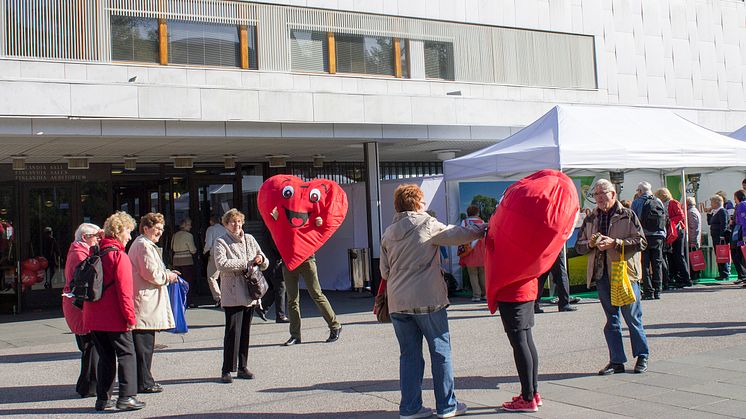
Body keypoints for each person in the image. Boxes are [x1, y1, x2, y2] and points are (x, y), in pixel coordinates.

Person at [381, 184, 486, 419]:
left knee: (408, 355)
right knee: (440, 350)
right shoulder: (427, 223)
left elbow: (385, 272)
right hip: (427, 297)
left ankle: (410, 408)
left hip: (398, 301)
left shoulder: (388, 233)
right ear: (417, 203)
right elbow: (457, 234)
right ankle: (447, 406)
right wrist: (481, 230)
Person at [575, 179, 650, 376]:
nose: (599, 197)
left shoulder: (627, 215)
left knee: (632, 317)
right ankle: (616, 361)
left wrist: (615, 243)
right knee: (612, 319)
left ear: (613, 194)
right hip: (602, 274)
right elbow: (579, 246)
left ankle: (642, 355)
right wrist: (591, 245)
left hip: (624, 273)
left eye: (603, 193)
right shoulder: (590, 219)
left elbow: (641, 242)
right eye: (596, 194)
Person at [82, 211, 145, 411]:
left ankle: (103, 399)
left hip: (94, 315)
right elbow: (125, 292)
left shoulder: (96, 252)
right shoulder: (119, 256)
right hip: (114, 316)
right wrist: (130, 317)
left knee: (105, 357)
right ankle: (127, 397)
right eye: (128, 231)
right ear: (119, 231)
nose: (129, 236)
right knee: (127, 354)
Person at [213, 208, 268, 383]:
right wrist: (246, 263)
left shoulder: (250, 239)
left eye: (238, 221)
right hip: (232, 291)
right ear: (226, 224)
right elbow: (221, 264)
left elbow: (264, 260)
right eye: (232, 222)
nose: (236, 225)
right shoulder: (221, 241)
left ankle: (243, 367)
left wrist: (260, 259)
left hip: (250, 291)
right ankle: (227, 369)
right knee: (232, 332)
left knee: (245, 331)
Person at [128, 212, 177, 394]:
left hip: (145, 300)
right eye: (156, 229)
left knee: (143, 345)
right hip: (144, 302)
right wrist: (168, 276)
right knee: (144, 346)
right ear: (146, 228)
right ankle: (145, 382)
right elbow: (152, 274)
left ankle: (143, 380)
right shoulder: (143, 245)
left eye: (161, 229)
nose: (160, 232)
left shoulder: (144, 244)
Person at [63, 223, 102, 398]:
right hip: (80, 306)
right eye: (96, 236)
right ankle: (88, 385)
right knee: (90, 346)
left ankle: (87, 384)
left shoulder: (78, 250)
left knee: (89, 346)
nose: (98, 239)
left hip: (76, 304)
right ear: (85, 237)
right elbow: (87, 281)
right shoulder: (80, 254)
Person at [281, 254, 342, 346]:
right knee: (292, 299)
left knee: (317, 294)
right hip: (288, 261)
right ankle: (295, 335)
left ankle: (334, 326)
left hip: (306, 259)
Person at [631, 181, 666, 300]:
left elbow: (633, 221)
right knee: (657, 263)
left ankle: (648, 291)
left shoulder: (636, 203)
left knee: (644, 264)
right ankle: (658, 290)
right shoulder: (659, 201)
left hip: (644, 236)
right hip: (658, 236)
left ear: (640, 191)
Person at [655, 188, 691, 288]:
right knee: (672, 255)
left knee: (678, 255)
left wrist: (669, 221)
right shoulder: (664, 204)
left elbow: (681, 216)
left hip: (677, 231)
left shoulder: (673, 202)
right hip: (670, 232)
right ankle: (676, 277)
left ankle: (686, 278)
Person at [257, 229, 289, 323]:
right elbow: (277, 249)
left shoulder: (267, 232)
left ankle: (263, 308)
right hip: (275, 264)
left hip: (269, 264)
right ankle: (280, 315)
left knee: (273, 289)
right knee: (280, 289)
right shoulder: (274, 232)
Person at [534, 247, 576, 313]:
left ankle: (534, 305)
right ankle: (564, 304)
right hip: (555, 245)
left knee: (540, 276)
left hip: (542, 246)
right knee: (561, 274)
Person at [459, 205, 486, 302]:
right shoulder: (482, 222)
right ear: (477, 213)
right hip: (481, 249)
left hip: (469, 249)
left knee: (473, 274)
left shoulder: (465, 222)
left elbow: (461, 233)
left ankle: (476, 295)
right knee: (483, 273)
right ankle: (485, 294)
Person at [171, 218, 197, 307]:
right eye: (189, 224)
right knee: (188, 282)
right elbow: (193, 250)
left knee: (178, 281)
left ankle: (179, 300)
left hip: (176, 260)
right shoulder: (188, 235)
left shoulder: (175, 235)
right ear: (184, 225)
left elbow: (171, 247)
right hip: (187, 260)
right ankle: (189, 301)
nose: (190, 226)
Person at [204, 216, 227, 306]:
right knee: (225, 276)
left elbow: (209, 243)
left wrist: (205, 251)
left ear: (210, 221)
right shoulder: (225, 229)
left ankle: (218, 297)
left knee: (212, 277)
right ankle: (227, 296)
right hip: (225, 254)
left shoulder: (211, 229)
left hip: (215, 254)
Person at [707, 195, 730, 280]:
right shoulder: (715, 211)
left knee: (722, 254)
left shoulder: (722, 211)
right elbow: (710, 222)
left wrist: (722, 235)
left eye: (712, 202)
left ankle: (725, 273)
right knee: (718, 254)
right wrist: (709, 214)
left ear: (716, 202)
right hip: (715, 236)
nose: (711, 204)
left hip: (720, 237)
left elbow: (724, 224)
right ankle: (721, 273)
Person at [731, 190, 746, 283]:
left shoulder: (741, 205)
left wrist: (744, 235)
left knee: (740, 255)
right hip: (741, 231)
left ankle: (743, 276)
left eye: (735, 197)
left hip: (741, 232)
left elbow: (743, 221)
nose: (734, 199)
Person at [686, 197, 702, 282]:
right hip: (694, 239)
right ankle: (695, 275)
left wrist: (693, 241)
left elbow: (694, 228)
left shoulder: (691, 212)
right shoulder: (694, 211)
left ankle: (695, 277)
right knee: (695, 258)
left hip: (692, 240)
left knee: (693, 259)